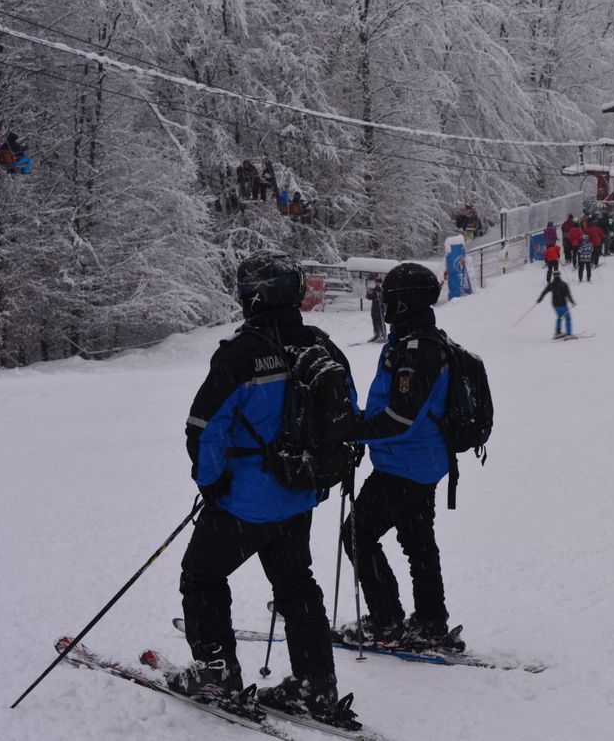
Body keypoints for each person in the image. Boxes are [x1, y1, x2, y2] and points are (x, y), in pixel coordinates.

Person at [174, 249, 358, 714]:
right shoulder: (322, 346)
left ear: (250, 296)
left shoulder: (241, 354)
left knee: (201, 576)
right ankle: (316, 683)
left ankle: (216, 676)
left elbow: (204, 427)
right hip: (299, 492)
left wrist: (210, 482)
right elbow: (346, 416)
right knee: (297, 583)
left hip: (246, 500)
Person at [337, 262, 465, 653]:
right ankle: (429, 621)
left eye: (388, 299)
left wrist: (352, 430)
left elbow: (400, 417)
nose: (383, 305)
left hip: (404, 465)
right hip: (419, 461)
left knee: (357, 534)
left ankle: (387, 620)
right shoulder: (416, 340)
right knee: (417, 541)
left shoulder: (417, 350)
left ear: (405, 303)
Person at [538, 267, 575, 338]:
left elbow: (544, 292)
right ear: (559, 275)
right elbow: (568, 294)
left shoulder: (551, 284)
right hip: (563, 304)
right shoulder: (564, 284)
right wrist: (572, 302)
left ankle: (558, 332)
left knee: (559, 317)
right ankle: (569, 334)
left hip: (555, 305)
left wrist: (540, 299)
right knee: (567, 318)